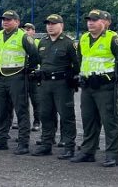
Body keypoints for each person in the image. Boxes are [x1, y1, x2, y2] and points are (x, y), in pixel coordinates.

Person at [71, 9, 118, 167]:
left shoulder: (113, 39)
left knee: (110, 121)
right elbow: (80, 59)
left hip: (105, 86)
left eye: (94, 20)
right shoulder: (84, 38)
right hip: (88, 86)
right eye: (89, 20)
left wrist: (110, 78)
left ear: (104, 22)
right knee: (88, 120)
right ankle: (88, 152)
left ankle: (112, 155)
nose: (90, 22)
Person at [0, 10, 40, 155]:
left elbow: (35, 55)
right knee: (2, 110)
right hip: (0, 77)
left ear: (17, 22)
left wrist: (28, 69)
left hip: (17, 76)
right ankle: (1, 140)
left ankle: (23, 143)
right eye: (3, 19)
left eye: (9, 19)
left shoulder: (23, 36)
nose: (5, 21)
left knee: (21, 110)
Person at [32, 14, 79, 158]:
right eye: (48, 24)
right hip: (45, 83)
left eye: (53, 23)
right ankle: (46, 144)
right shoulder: (43, 42)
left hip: (62, 83)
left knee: (66, 115)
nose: (50, 26)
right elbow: (40, 61)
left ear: (61, 25)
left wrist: (71, 79)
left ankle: (69, 147)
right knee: (45, 114)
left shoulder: (68, 43)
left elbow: (76, 65)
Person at [23, 22, 41, 132]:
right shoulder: (21, 41)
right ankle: (25, 123)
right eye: (25, 29)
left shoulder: (38, 42)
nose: (27, 31)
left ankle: (37, 121)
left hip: (34, 75)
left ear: (34, 31)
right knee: (23, 101)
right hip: (23, 75)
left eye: (29, 29)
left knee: (36, 101)